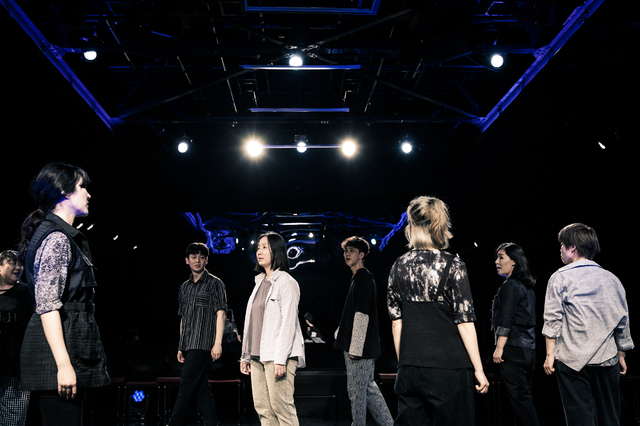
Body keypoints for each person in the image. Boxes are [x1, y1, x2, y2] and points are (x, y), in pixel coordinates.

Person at [17, 163, 110, 426]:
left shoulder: (61, 235)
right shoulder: (57, 238)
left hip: (68, 350)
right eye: (82, 187)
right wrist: (64, 365)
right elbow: (47, 306)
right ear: (64, 192)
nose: (88, 194)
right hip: (58, 358)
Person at [387, 196, 489, 426]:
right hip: (449, 369)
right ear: (440, 225)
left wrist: (404, 362)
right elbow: (464, 322)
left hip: (410, 369)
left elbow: (397, 322)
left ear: (411, 226)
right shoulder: (453, 264)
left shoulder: (398, 265)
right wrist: (479, 369)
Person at [542, 223, 633, 426]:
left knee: (579, 420)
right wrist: (621, 355)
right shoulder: (612, 279)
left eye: (562, 245)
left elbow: (552, 319)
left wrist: (550, 355)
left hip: (572, 360)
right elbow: (622, 321)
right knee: (609, 418)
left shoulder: (559, 278)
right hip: (607, 359)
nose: (560, 249)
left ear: (572, 247)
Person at [240, 231, 305, 426]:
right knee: (263, 410)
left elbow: (289, 323)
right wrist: (245, 355)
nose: (259, 251)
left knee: (282, 408)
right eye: (258, 247)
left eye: (265, 247)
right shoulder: (259, 282)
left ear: (276, 251)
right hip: (257, 355)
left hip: (278, 357)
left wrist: (281, 359)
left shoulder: (286, 281)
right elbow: (251, 322)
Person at [335, 236, 393, 426]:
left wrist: (356, 346)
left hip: (359, 349)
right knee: (367, 390)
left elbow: (363, 313)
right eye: (345, 251)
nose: (347, 254)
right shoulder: (358, 278)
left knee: (357, 393)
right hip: (359, 347)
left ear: (361, 254)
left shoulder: (364, 279)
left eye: (352, 251)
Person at [169, 242, 227, 426]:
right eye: (193, 257)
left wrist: (218, 343)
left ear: (206, 260)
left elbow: (221, 313)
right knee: (202, 390)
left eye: (201, 257)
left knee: (185, 387)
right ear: (187, 260)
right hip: (188, 343)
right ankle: (212, 423)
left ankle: (173, 423)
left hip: (203, 343)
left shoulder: (215, 283)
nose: (197, 260)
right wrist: (180, 346)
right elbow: (183, 318)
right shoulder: (183, 288)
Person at [492, 243, 539, 426]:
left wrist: (499, 347)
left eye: (501, 257)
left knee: (521, 401)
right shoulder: (527, 286)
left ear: (514, 262)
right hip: (529, 350)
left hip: (514, 349)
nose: (497, 262)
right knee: (522, 400)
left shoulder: (510, 286)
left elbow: (507, 319)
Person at [0, 250, 31, 426]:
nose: (19, 267)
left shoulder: (27, 292)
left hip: (17, 369)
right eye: (13, 262)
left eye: (21, 264)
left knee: (13, 419)